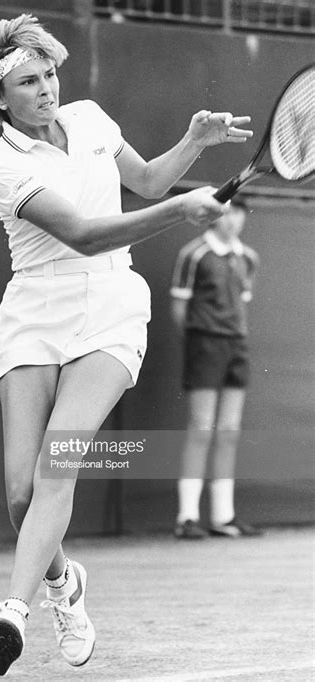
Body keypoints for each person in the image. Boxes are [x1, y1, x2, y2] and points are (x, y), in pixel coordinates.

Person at [0, 13, 253, 676]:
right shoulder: (4, 169)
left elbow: (149, 181)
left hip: (110, 306)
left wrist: (191, 143)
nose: (47, 89)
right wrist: (184, 209)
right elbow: (88, 233)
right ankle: (66, 582)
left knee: (58, 463)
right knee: (20, 494)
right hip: (36, 310)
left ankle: (15, 608)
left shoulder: (91, 117)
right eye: (30, 80)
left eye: (51, 74)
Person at [170, 197, 263, 539]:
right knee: (201, 429)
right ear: (213, 215)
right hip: (204, 345)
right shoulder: (194, 255)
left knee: (228, 431)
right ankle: (187, 517)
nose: (234, 219)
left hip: (236, 347)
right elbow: (179, 311)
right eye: (228, 211)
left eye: (239, 212)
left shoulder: (248, 258)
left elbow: (241, 307)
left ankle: (224, 517)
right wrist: (200, 342)